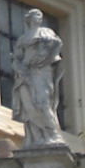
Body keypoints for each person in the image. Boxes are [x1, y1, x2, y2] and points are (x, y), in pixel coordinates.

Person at [10, 8, 65, 147]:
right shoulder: (23, 38)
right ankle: (36, 136)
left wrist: (44, 53)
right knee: (29, 104)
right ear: (29, 19)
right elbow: (17, 57)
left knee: (42, 102)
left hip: (42, 72)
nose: (38, 18)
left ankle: (52, 134)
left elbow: (56, 46)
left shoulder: (46, 32)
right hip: (25, 74)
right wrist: (20, 68)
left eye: (40, 16)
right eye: (35, 16)